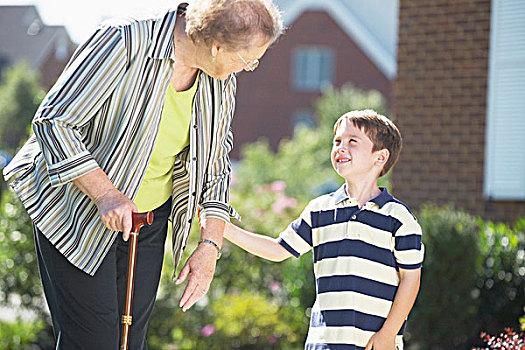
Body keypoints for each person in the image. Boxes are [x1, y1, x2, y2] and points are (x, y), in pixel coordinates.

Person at [3, 0, 283, 348]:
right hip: (76, 207)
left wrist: (210, 244)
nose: (250, 68)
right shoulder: (124, 40)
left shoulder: (218, 78)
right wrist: (105, 193)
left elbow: (215, 162)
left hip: (147, 217)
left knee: (130, 340)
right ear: (216, 46)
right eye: (248, 60)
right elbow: (53, 121)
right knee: (94, 341)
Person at [224, 110, 424, 350]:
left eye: (352, 141)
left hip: (375, 344)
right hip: (324, 344)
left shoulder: (398, 218)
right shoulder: (319, 209)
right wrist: (225, 229)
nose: (340, 147)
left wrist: (388, 334)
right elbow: (278, 249)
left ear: (379, 157)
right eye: (337, 141)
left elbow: (410, 279)